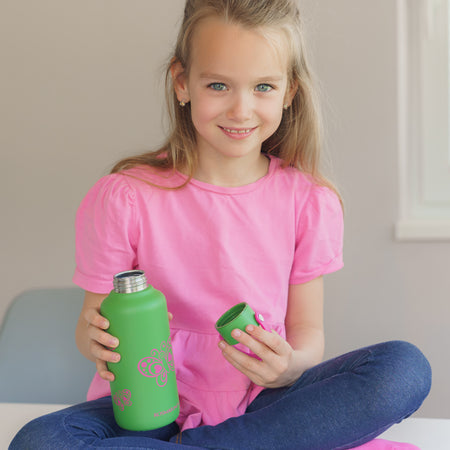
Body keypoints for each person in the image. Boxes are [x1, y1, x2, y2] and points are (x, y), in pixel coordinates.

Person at [11, 0, 431, 449]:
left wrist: (289, 367)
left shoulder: (308, 201)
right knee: (41, 440)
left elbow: (308, 334)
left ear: (289, 92)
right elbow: (90, 325)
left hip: (262, 402)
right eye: (218, 85)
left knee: (404, 369)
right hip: (148, 405)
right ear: (182, 83)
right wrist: (95, 340)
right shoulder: (125, 197)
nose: (241, 109)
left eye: (264, 87)